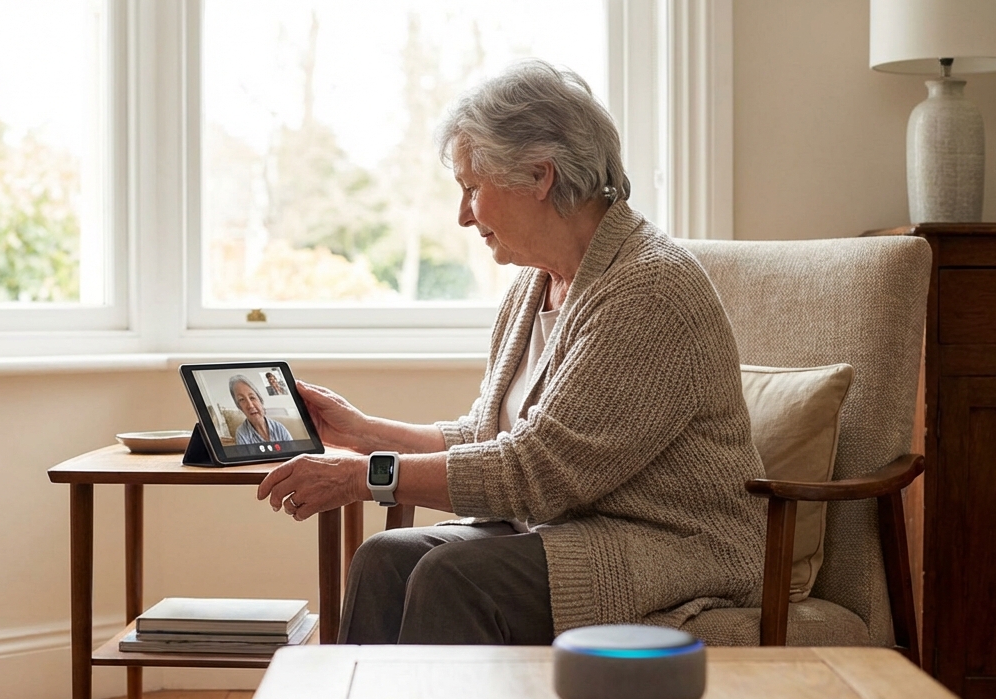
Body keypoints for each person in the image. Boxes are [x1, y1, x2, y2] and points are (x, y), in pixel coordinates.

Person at [256, 60, 766, 646]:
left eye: (473, 188)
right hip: (562, 530)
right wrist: (367, 433)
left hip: (669, 545)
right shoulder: (533, 285)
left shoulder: (649, 288)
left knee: (456, 577)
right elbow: (492, 435)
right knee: (384, 559)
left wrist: (367, 477)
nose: (463, 215)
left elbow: (537, 473)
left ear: (539, 176)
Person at [231, 374, 294, 445]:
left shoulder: (279, 428)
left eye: (252, 397)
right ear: (239, 407)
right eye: (241, 399)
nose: (250, 405)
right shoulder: (241, 434)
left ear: (260, 400)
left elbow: (295, 453)